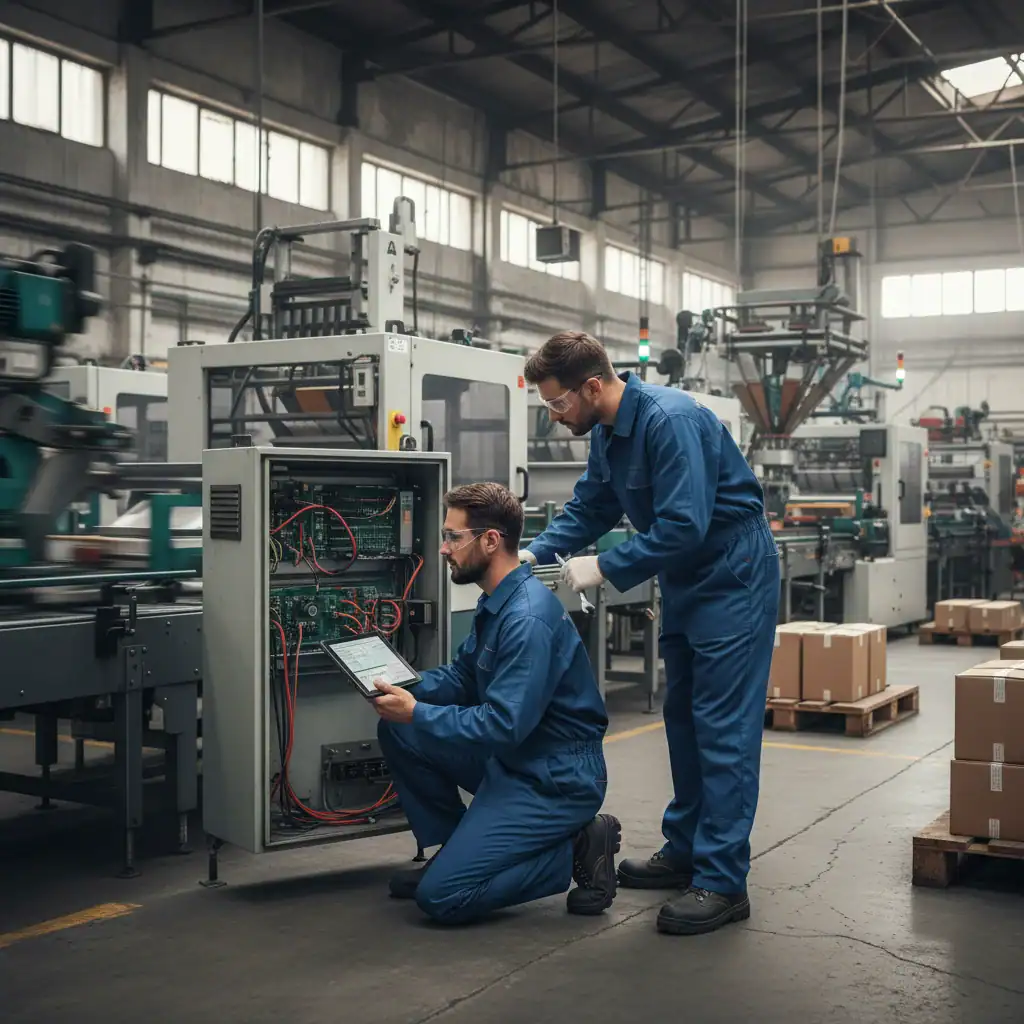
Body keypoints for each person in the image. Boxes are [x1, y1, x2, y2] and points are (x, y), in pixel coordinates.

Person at [521, 331, 780, 937]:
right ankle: (685, 847)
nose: (556, 418)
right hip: (688, 578)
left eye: (559, 405)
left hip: (731, 576)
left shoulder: (670, 420)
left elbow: (686, 524)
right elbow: (591, 508)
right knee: (684, 716)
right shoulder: (609, 434)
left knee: (724, 728)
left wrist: (604, 566)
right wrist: (535, 553)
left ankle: (721, 879)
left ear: (592, 386)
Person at [372, 481, 620, 926]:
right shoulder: (497, 603)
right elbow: (464, 676)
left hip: (553, 778)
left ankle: (576, 847)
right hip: (515, 759)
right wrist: (405, 685)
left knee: (442, 897)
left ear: (490, 540)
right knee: (401, 729)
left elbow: (502, 725)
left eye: (453, 537)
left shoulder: (525, 618)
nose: (444, 549)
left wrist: (418, 711)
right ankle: (458, 848)